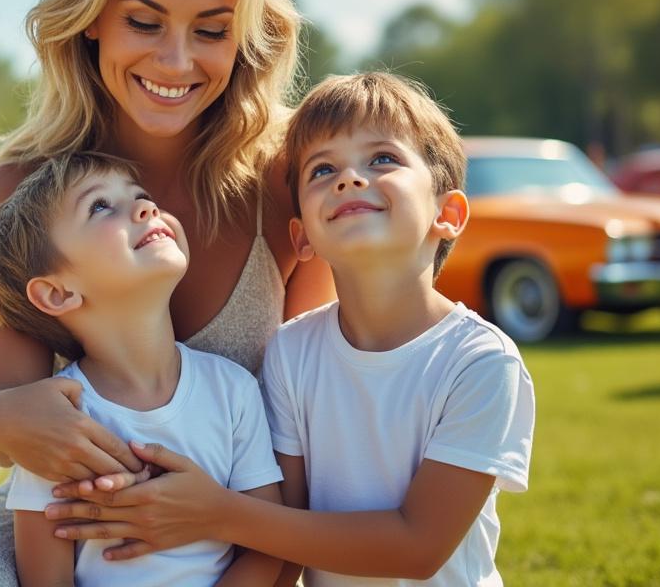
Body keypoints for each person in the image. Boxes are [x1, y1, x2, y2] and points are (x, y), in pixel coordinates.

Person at [0, 0, 334, 585]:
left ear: (247, 36)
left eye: (211, 30)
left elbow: (311, 434)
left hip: (249, 536)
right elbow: (7, 422)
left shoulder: (289, 185)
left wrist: (224, 530)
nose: (175, 61)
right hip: (57, 533)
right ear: (90, 15)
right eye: (143, 22)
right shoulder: (23, 190)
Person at [46, 72, 535, 585]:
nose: (349, 178)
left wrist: (216, 513)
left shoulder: (480, 362)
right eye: (323, 170)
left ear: (449, 213)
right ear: (302, 237)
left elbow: (417, 547)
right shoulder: (292, 352)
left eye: (383, 159)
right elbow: (284, 546)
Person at [0, 152, 285, 586]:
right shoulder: (56, 429)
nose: (145, 208)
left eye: (141, 196)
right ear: (57, 293)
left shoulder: (234, 391)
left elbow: (267, 546)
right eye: (100, 206)